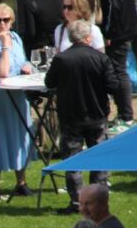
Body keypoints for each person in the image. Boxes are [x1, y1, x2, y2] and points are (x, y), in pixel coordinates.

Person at [45, 21, 118, 215]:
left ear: (71, 38)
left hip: (71, 118)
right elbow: (113, 86)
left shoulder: (61, 59)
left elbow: (49, 82)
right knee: (99, 160)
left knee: (73, 162)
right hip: (97, 115)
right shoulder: (101, 58)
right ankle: (98, 200)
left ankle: (78, 202)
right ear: (88, 37)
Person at [0, 4, 35, 203]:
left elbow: (23, 61)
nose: (2, 24)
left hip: (17, 95)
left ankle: (21, 182)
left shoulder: (17, 38)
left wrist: (28, 66)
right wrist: (4, 46)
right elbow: (2, 72)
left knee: (19, 136)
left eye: (6, 20)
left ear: (12, 21)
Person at [87, 0, 137, 134]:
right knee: (119, 70)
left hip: (118, 30)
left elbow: (113, 4)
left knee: (118, 71)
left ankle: (126, 117)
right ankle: (124, 115)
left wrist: (108, 32)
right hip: (127, 26)